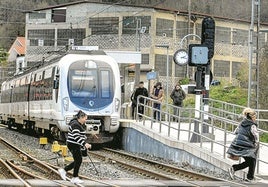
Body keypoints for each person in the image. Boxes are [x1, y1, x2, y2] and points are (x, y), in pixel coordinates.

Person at [58, 110, 92, 184]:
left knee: (78, 160)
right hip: (73, 144)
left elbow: (80, 135)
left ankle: (66, 172)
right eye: (85, 118)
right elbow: (76, 136)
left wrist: (84, 142)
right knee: (78, 160)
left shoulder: (78, 124)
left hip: (75, 144)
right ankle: (73, 176)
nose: (86, 120)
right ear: (81, 117)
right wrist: (84, 144)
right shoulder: (75, 124)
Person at [227, 107, 259, 183]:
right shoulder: (252, 125)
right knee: (251, 160)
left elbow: (235, 132)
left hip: (238, 144)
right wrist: (256, 143)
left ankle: (249, 177)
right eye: (255, 117)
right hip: (247, 146)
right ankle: (247, 176)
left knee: (251, 160)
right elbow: (256, 136)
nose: (255, 118)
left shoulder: (242, 122)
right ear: (252, 116)